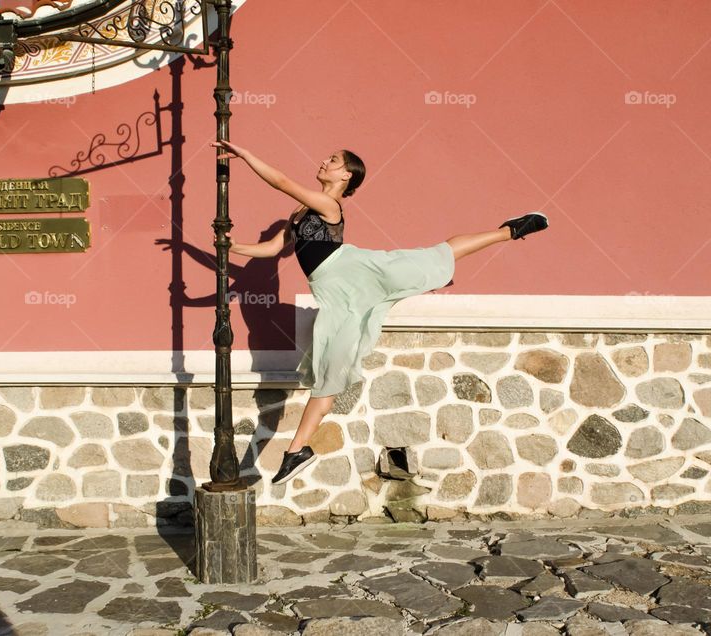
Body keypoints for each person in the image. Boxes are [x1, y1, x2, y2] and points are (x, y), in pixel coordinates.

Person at [210, 139, 549, 485]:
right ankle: (299, 452)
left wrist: (246, 155)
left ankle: (509, 230)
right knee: (330, 370)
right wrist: (232, 247)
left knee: (435, 255)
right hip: (336, 297)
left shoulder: (328, 204)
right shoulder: (299, 212)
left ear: (346, 176)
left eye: (333, 160)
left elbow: (281, 181)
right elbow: (271, 248)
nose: (324, 161)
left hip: (356, 272)